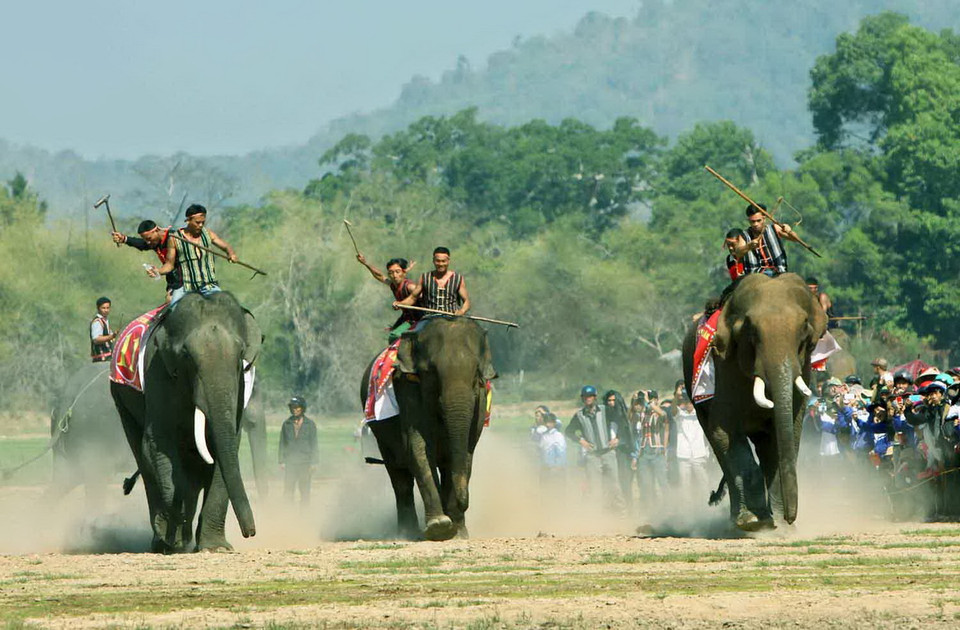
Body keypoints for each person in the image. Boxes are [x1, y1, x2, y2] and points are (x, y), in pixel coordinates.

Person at [152, 204, 238, 298]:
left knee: (225, 304)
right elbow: (169, 265)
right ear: (188, 220)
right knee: (173, 307)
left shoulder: (208, 234)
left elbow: (225, 246)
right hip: (187, 288)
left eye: (203, 222)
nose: (200, 225)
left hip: (209, 286)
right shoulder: (174, 239)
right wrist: (158, 271)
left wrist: (231, 254)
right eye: (197, 222)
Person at [565, 385, 620, 512]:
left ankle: (619, 514)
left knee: (615, 485)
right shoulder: (579, 415)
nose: (587, 399)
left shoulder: (605, 410)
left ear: (595, 397)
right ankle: (598, 515)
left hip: (608, 452)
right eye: (585, 397)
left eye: (590, 396)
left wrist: (618, 438)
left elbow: (621, 421)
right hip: (593, 455)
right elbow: (569, 431)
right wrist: (581, 441)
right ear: (582, 399)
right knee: (595, 488)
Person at [112, 220, 184, 302]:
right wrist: (124, 239)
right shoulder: (155, 241)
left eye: (149, 238)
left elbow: (171, 265)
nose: (148, 242)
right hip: (173, 281)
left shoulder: (174, 238)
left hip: (185, 279)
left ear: (156, 230)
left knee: (171, 300)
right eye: (145, 239)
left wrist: (158, 271)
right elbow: (142, 244)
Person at [729, 203, 803, 276]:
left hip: (779, 271)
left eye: (758, 220)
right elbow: (738, 253)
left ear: (764, 218)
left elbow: (796, 239)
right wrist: (748, 246)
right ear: (748, 220)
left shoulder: (775, 228)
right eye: (752, 221)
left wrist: (789, 231)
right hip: (755, 275)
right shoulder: (744, 235)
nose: (755, 224)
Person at [395, 247, 470, 316]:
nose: (440, 264)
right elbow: (413, 298)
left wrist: (461, 311)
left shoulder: (458, 278)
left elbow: (466, 301)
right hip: (429, 318)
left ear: (448, 261)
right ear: (433, 261)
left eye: (443, 261)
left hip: (451, 318)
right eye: (438, 261)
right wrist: (400, 304)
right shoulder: (425, 277)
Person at [278, 396, 319, 507]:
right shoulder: (286, 424)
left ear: (302, 408)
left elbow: (314, 444)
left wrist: (314, 462)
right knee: (288, 491)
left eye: (297, 407)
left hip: (305, 463)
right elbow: (282, 443)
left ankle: (304, 516)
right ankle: (288, 515)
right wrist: (281, 461)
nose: (294, 409)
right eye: (292, 407)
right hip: (290, 463)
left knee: (305, 492)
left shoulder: (310, 425)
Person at [604, 390, 635, 512]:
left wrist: (619, 440)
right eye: (609, 401)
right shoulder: (605, 418)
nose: (611, 403)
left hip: (623, 454)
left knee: (625, 483)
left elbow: (630, 438)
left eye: (613, 400)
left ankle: (629, 510)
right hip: (609, 454)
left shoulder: (625, 417)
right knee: (610, 484)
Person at [90, 296, 117, 363]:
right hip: (101, 358)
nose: (106, 310)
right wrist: (111, 336)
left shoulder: (105, 320)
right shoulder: (97, 322)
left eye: (108, 308)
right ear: (98, 308)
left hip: (108, 357)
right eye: (103, 308)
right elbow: (96, 339)